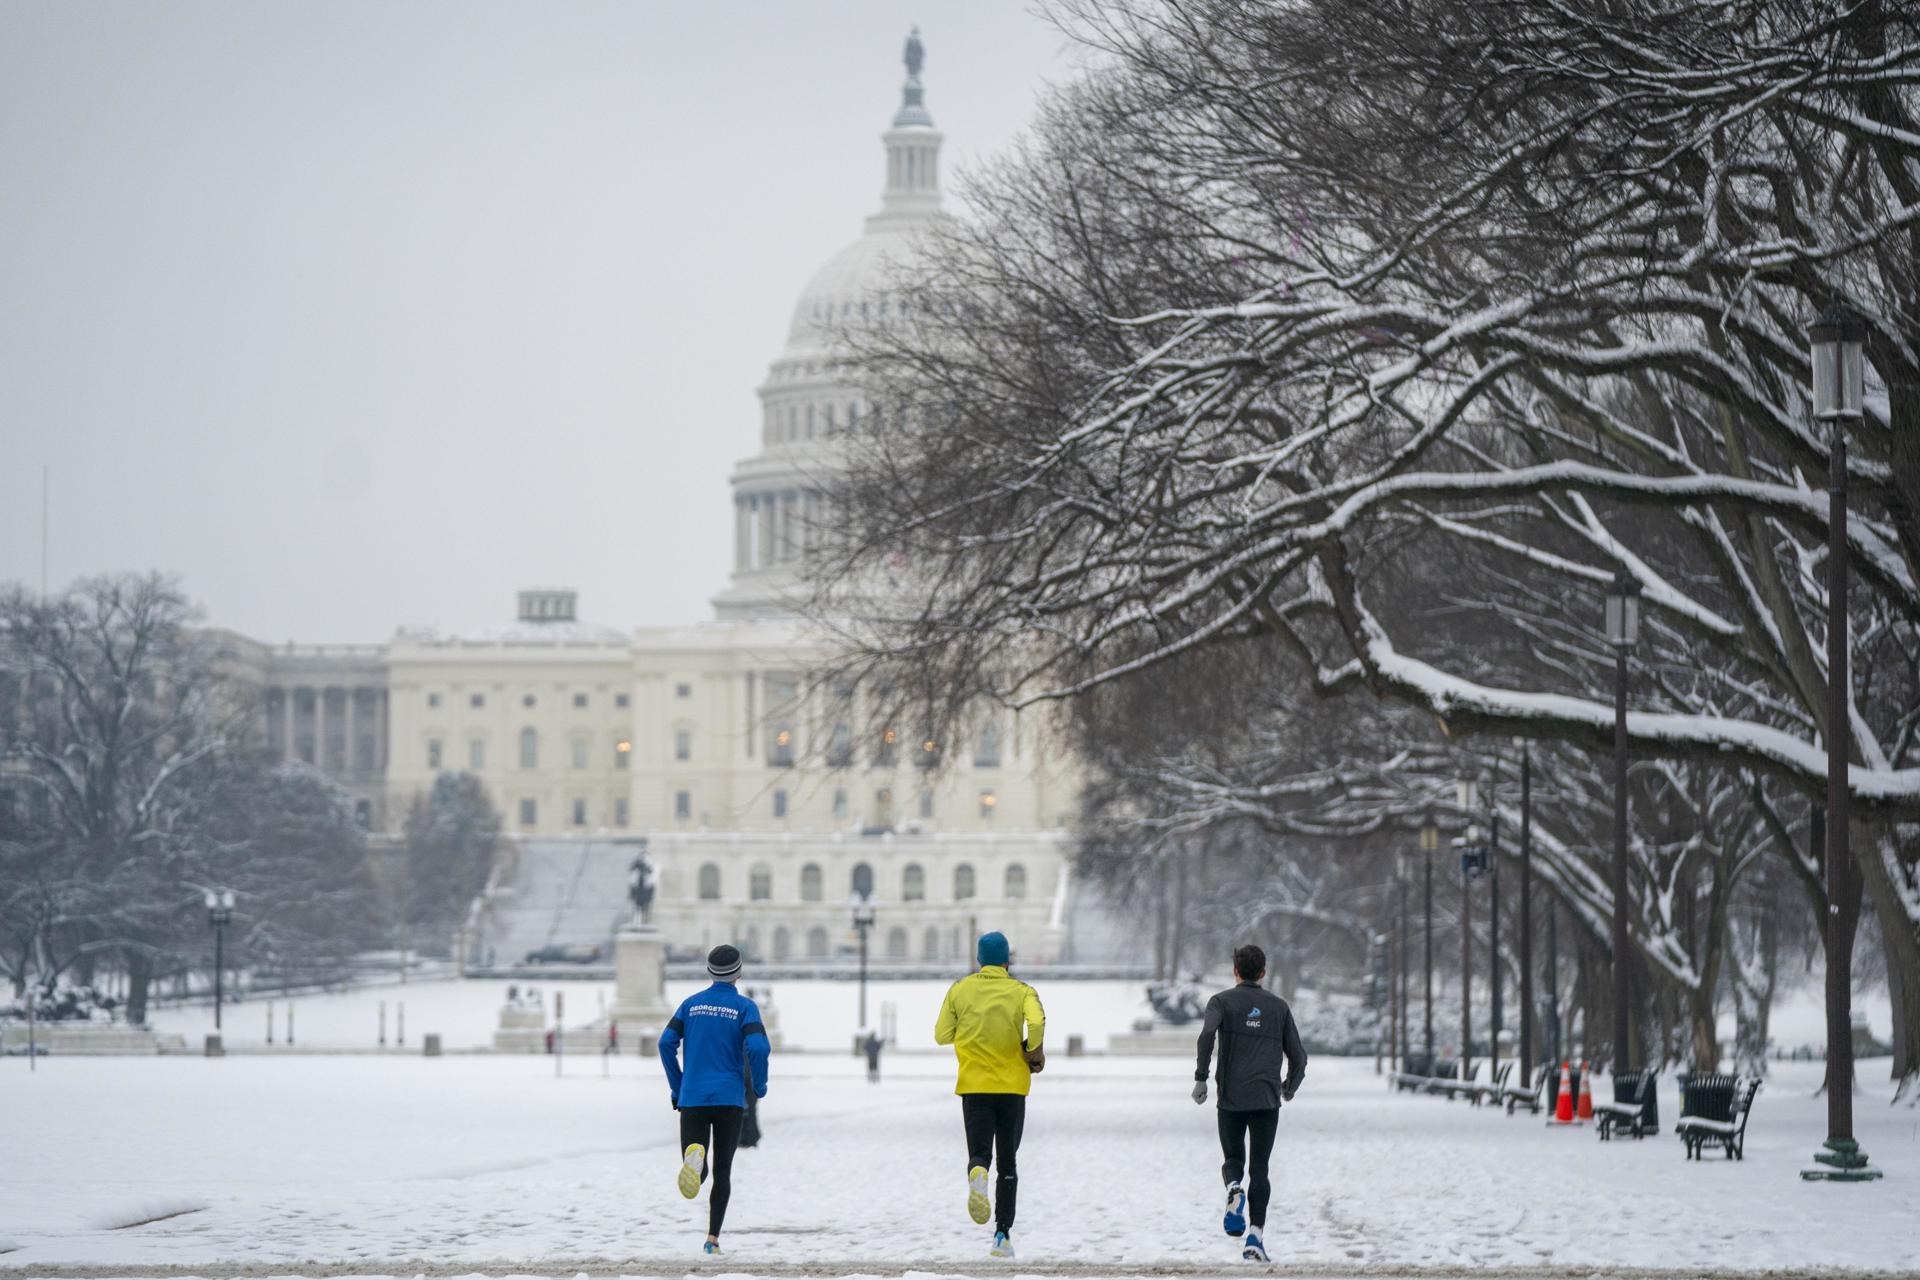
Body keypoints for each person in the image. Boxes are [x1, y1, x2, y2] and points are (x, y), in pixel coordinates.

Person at [934, 931, 1046, 1259]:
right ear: (1007, 960)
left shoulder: (960, 989)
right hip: (1012, 1088)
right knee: (1009, 1162)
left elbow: (941, 1035)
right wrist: (1030, 1048)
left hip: (974, 1086)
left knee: (980, 1154)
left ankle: (978, 1172)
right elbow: (1037, 1022)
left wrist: (968, 1032)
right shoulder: (1022, 990)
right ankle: (1002, 1235)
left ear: (979, 959)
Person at [1192, 943, 1306, 1263]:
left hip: (1230, 1097)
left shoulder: (1221, 1002)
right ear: (1263, 972)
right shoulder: (1279, 1008)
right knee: (1260, 1168)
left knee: (1233, 1159)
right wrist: (1290, 1086)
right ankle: (1255, 1237)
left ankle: (1233, 1188)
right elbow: (1299, 1057)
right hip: (1266, 1099)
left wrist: (1201, 1077)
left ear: (1235, 971)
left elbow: (1206, 1035)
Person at [659, 944, 770, 1255]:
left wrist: (677, 1086)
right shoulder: (745, 1008)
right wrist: (759, 1085)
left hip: (692, 1096)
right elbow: (759, 1048)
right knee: (723, 1171)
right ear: (738, 972)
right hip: (729, 1098)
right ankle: (712, 1239)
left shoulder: (690, 1005)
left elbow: (665, 1043)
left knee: (696, 1164)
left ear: (709, 971)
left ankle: (695, 1162)